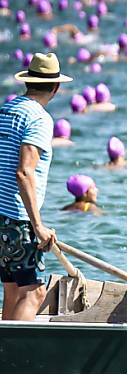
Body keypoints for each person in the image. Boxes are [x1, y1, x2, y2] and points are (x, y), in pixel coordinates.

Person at [0, 53, 72, 321]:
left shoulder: (6, 110)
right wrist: (38, 225)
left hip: (0, 215)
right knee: (33, 294)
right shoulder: (39, 119)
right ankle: (11, 359)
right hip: (17, 218)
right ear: (55, 88)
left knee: (12, 290)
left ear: (28, 82)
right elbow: (24, 172)